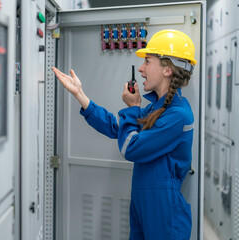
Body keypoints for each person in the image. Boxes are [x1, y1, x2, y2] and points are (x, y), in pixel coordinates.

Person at [52, 29, 196, 240]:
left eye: (147, 61)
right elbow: (118, 128)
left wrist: (133, 107)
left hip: (164, 211)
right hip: (144, 202)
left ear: (167, 70)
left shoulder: (177, 115)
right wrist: (80, 95)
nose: (141, 68)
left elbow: (131, 147)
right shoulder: (159, 108)